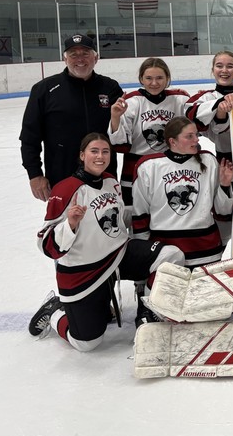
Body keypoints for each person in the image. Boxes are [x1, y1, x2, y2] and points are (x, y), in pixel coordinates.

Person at [28, 133, 186, 348]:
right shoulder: (65, 189)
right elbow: (45, 244)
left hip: (118, 255)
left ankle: (149, 311)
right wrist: (70, 224)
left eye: (105, 151)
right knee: (86, 343)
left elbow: (118, 219)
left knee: (171, 255)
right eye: (94, 151)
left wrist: (156, 207)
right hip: (84, 271)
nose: (100, 156)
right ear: (82, 155)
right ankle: (55, 310)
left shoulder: (111, 181)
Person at [20, 34, 123, 201]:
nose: (80, 59)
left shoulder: (110, 87)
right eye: (73, 54)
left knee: (105, 216)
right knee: (66, 218)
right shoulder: (44, 90)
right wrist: (35, 174)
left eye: (85, 53)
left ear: (96, 58)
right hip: (61, 175)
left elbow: (123, 131)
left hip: (103, 174)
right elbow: (29, 137)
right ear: (65, 59)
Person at [131, 117, 233, 266]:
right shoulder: (148, 166)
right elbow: (140, 213)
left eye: (196, 135)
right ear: (172, 141)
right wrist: (144, 251)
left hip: (206, 249)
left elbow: (222, 211)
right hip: (165, 250)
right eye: (189, 136)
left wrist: (225, 185)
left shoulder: (208, 161)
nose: (196, 140)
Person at [108, 57, 189, 204]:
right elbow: (120, 145)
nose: (154, 83)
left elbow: (197, 128)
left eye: (159, 78)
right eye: (149, 78)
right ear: (141, 79)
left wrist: (199, 97)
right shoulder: (131, 102)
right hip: (134, 167)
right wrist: (115, 117)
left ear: (167, 78)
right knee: (132, 212)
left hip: (168, 167)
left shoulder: (179, 100)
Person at [185, 51, 233, 161]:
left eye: (230, 66)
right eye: (219, 66)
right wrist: (220, 102)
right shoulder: (207, 98)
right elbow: (190, 113)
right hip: (224, 159)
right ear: (213, 70)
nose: (224, 70)